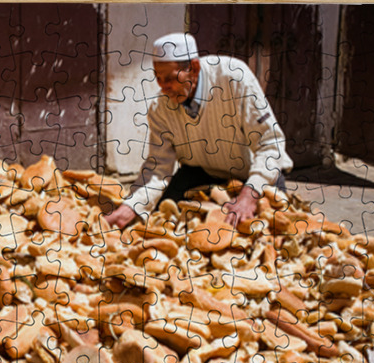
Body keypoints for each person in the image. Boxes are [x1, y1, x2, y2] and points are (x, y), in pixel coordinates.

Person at [105, 32, 292, 229]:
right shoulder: (159, 109)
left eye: (170, 78)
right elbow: (158, 166)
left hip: (252, 173)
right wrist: (130, 207)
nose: (163, 87)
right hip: (199, 172)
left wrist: (249, 195)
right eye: (158, 78)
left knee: (271, 232)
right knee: (162, 222)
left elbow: (270, 144)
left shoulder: (234, 78)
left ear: (193, 68)